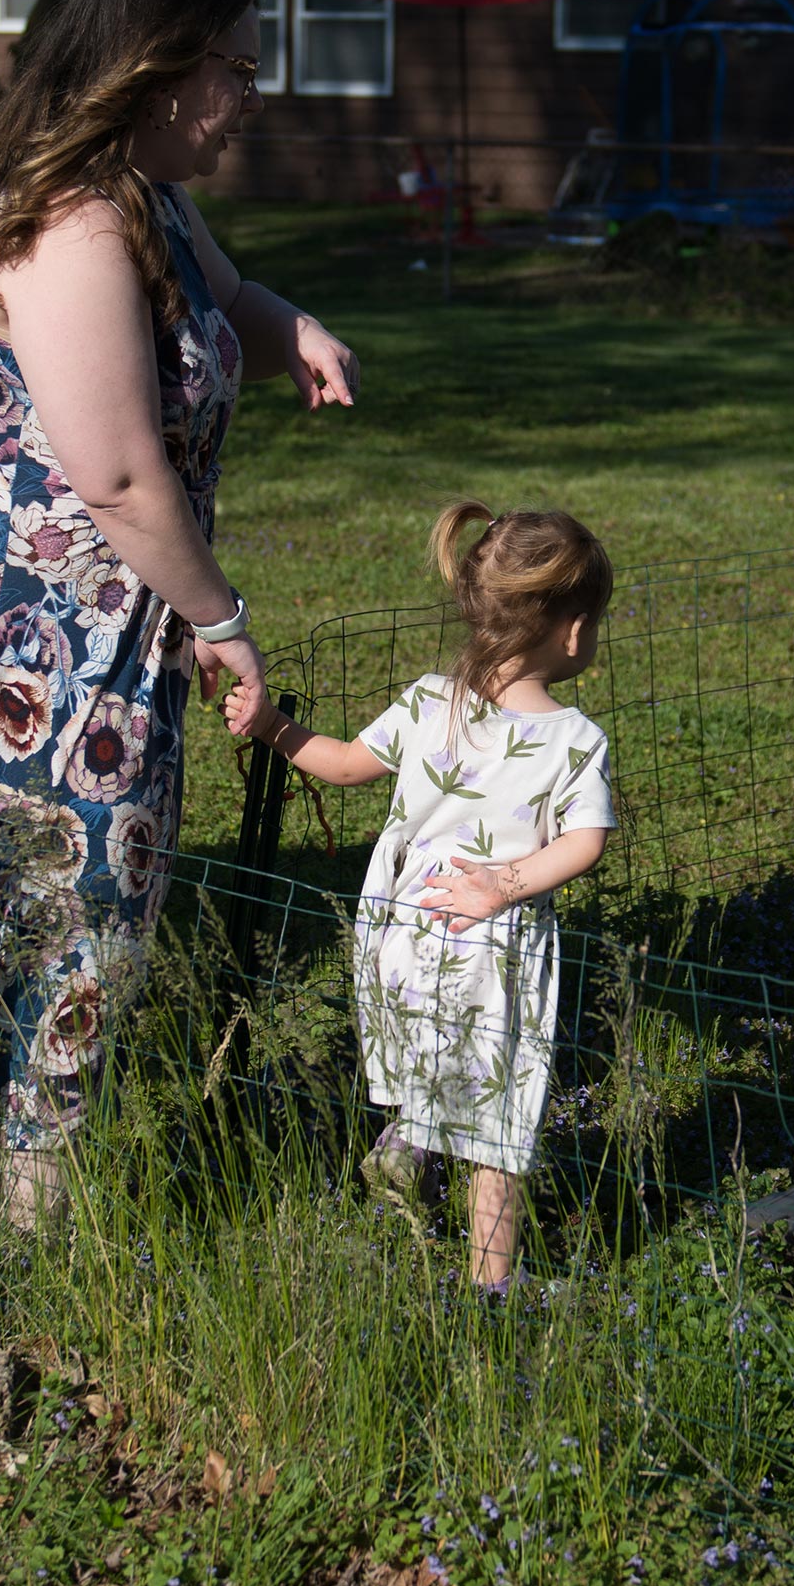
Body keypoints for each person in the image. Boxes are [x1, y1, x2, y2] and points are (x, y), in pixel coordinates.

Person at [0, 0, 360, 1224]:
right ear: (160, 68)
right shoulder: (72, 225)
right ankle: (25, 1251)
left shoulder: (145, 200)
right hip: (20, 658)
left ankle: (8, 1222)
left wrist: (288, 324)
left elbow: (223, 288)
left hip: (93, 648)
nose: (253, 96)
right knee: (52, 951)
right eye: (238, 70)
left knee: (68, 946)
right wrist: (223, 619)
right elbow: (120, 477)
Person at [234, 503, 616, 1289]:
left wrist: (269, 722)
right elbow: (586, 842)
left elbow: (340, 763)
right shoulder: (575, 741)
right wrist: (504, 883)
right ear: (573, 631)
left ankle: (410, 1149)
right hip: (492, 953)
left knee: (427, 1059)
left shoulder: (425, 702)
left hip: (401, 939)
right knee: (498, 1131)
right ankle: (490, 1289)